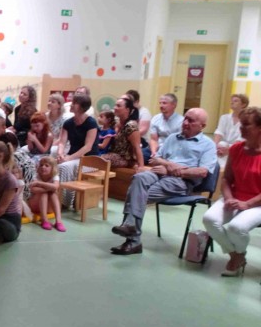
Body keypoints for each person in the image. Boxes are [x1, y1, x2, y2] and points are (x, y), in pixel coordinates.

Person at [110, 108, 217, 256]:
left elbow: (202, 172)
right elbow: (155, 159)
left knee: (136, 194)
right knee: (139, 178)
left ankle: (132, 239)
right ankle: (131, 228)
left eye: (191, 121)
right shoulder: (172, 138)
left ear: (202, 126)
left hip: (182, 181)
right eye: (185, 118)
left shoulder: (208, 145)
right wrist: (168, 165)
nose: (185, 122)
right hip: (159, 173)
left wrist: (170, 170)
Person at [202, 107, 261, 276]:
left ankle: (237, 257)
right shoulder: (236, 149)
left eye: (246, 125)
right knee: (210, 219)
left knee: (236, 227)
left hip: (257, 203)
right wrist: (228, 198)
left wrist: (247, 204)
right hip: (234, 198)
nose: (241, 128)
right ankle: (237, 255)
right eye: (241, 124)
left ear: (259, 128)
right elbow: (227, 178)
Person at [56, 93, 98, 207]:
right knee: (51, 162)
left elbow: (88, 147)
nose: (71, 104)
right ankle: (54, 197)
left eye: (74, 103)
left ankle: (64, 201)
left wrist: (68, 158)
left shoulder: (91, 123)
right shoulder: (68, 123)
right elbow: (62, 142)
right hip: (74, 157)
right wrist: (60, 154)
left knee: (63, 167)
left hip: (89, 160)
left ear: (81, 107)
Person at [99, 96, 144, 169]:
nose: (115, 108)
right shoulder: (114, 123)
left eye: (118, 106)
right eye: (115, 105)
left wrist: (141, 167)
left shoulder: (131, 126)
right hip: (111, 154)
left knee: (99, 159)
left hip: (125, 159)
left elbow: (137, 147)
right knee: (92, 155)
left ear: (127, 109)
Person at [28, 156, 65, 232]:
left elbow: (55, 186)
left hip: (49, 208)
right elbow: (33, 189)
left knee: (53, 194)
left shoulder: (55, 176)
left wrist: (39, 183)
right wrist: (48, 189)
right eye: (41, 165)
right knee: (44, 193)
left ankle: (58, 221)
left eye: (46, 165)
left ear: (52, 168)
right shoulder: (36, 175)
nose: (43, 167)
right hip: (35, 206)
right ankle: (44, 219)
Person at [214, 93, 250, 167]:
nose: (232, 102)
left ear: (243, 104)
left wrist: (229, 149)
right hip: (222, 146)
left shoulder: (247, 120)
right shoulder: (224, 117)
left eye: (236, 101)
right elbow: (219, 132)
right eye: (231, 101)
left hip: (238, 147)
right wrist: (215, 146)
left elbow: (241, 139)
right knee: (221, 145)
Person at [149, 93, 183, 158]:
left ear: (174, 105)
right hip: (157, 149)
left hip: (173, 151)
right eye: (160, 103)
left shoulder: (181, 121)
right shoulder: (155, 118)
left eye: (164, 103)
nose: (161, 106)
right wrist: (154, 153)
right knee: (140, 155)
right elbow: (154, 139)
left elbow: (180, 142)